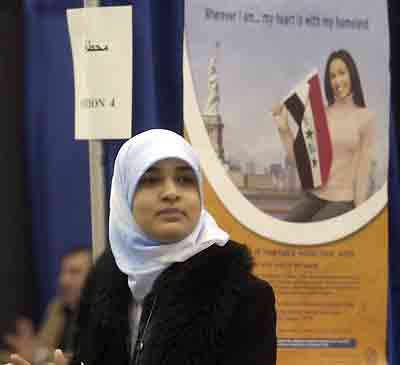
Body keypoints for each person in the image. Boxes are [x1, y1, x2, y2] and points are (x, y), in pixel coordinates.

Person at [8, 129, 276, 365]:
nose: (171, 192)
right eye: (150, 180)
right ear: (124, 196)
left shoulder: (245, 298)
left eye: (185, 179)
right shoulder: (102, 287)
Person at [272, 49, 375, 222]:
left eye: (342, 73)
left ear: (352, 74)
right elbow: (301, 160)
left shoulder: (366, 117)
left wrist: (360, 215)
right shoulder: (321, 115)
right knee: (284, 227)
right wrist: (284, 129)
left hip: (344, 202)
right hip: (314, 197)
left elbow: (363, 170)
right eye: (332, 76)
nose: (337, 81)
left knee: (312, 232)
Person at [3, 247, 91, 365]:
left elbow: (83, 358)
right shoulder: (57, 307)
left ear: (94, 276)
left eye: (74, 272)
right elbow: (40, 348)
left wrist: (38, 354)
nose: (64, 281)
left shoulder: (101, 312)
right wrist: (26, 342)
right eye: (62, 272)